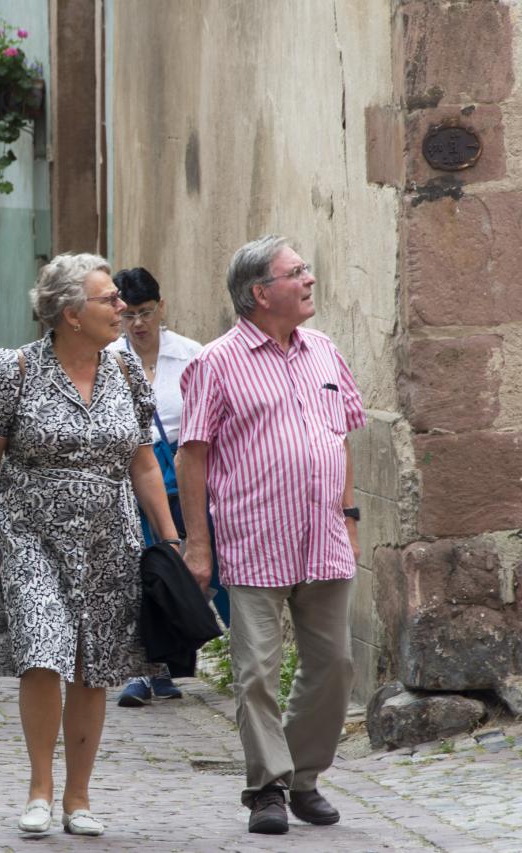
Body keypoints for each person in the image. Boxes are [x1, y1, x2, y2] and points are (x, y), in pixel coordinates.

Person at [0, 253, 179, 837]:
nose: (121, 308)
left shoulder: (127, 372)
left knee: (93, 665)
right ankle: (40, 787)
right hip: (30, 533)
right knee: (42, 653)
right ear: (69, 313)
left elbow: (143, 464)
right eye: (108, 299)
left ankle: (78, 798)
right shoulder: (14, 370)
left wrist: (171, 540)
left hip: (110, 537)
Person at [177, 236, 364, 835]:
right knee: (257, 670)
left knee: (333, 665)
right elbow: (193, 456)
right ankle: (266, 789)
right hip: (255, 537)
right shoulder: (216, 361)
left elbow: (342, 439)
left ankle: (303, 778)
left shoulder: (325, 351)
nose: (309, 279)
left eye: (306, 269)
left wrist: (350, 517)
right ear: (261, 293)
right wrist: (198, 542)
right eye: (296, 272)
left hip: (325, 535)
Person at [107, 266, 225, 707]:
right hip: (128, 480)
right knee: (138, 575)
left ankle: (176, 665)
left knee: (192, 571)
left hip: (181, 480)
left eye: (146, 312)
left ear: (162, 308)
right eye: (129, 314)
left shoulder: (192, 356)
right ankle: (143, 673)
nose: (138, 323)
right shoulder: (108, 359)